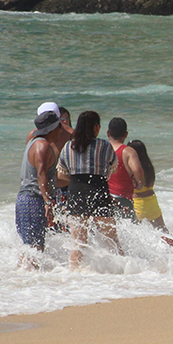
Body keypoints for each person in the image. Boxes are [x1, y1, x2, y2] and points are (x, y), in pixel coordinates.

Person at [57, 110, 121, 269]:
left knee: (78, 243)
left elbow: (61, 174)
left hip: (76, 190)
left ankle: (74, 275)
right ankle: (123, 271)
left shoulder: (68, 146)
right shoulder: (104, 145)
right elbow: (113, 168)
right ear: (97, 127)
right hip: (98, 189)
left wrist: (78, 180)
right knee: (111, 239)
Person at [16, 111, 65, 267]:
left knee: (30, 248)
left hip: (26, 199)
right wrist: (48, 202)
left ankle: (24, 281)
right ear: (51, 128)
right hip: (33, 200)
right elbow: (41, 174)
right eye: (59, 126)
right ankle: (31, 283)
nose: (61, 130)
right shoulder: (42, 145)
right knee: (35, 249)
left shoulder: (34, 142)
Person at [127, 139, 172, 237]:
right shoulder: (149, 166)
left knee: (136, 234)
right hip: (152, 200)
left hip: (138, 202)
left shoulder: (134, 168)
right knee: (163, 230)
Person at [106, 117, 142, 221]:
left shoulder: (101, 149)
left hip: (104, 198)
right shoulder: (128, 151)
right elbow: (137, 170)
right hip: (123, 199)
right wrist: (140, 183)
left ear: (108, 133)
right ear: (125, 134)